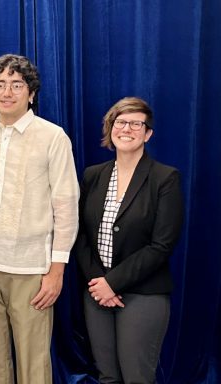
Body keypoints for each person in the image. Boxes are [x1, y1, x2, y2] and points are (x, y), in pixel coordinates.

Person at [0, 54, 79, 383]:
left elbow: (66, 206)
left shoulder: (53, 137)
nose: (7, 92)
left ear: (31, 93)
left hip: (31, 270)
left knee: (33, 364)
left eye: (16, 84)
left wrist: (56, 270)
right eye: (0, 85)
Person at [75, 97, 183, 384]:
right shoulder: (93, 175)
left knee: (137, 377)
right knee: (107, 376)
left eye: (137, 124)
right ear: (111, 129)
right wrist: (99, 282)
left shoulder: (165, 178)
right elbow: (81, 234)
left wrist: (114, 282)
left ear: (148, 133)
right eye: (121, 122)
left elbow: (162, 245)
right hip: (96, 291)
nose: (127, 129)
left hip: (143, 293)